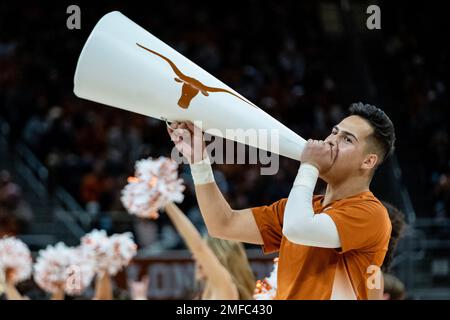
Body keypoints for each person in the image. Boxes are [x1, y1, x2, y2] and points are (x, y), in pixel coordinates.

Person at [168, 102, 395, 300]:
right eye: (334, 132)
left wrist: (309, 166)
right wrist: (198, 160)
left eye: (346, 139)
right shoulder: (301, 208)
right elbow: (222, 224)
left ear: (368, 161)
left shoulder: (370, 212)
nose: (331, 141)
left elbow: (298, 228)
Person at [164, 202, 255, 300]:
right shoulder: (203, 294)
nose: (196, 257)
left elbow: (199, 248)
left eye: (206, 254)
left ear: (219, 256)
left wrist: (166, 202)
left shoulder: (226, 286)